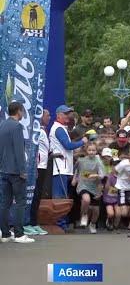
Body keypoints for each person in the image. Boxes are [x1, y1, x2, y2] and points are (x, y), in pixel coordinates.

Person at [0, 102, 35, 243]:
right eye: (23, 111)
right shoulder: (17, 126)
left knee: (5, 202)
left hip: (3, 170)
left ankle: (5, 233)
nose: (23, 114)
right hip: (15, 171)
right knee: (20, 202)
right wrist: (23, 170)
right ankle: (19, 234)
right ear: (19, 111)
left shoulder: (2, 125)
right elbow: (19, 150)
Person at [49, 105, 88, 231]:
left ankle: (63, 224)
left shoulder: (61, 128)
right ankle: (60, 225)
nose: (68, 116)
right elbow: (68, 145)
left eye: (69, 114)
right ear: (59, 115)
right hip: (60, 168)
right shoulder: (59, 128)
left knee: (63, 197)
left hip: (64, 167)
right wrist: (83, 141)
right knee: (60, 197)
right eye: (66, 114)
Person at [26, 108, 50, 236]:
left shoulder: (43, 131)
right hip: (37, 167)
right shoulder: (37, 132)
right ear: (41, 117)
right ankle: (29, 223)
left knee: (37, 195)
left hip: (43, 166)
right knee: (34, 195)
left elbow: (44, 149)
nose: (49, 117)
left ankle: (34, 223)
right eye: (47, 115)